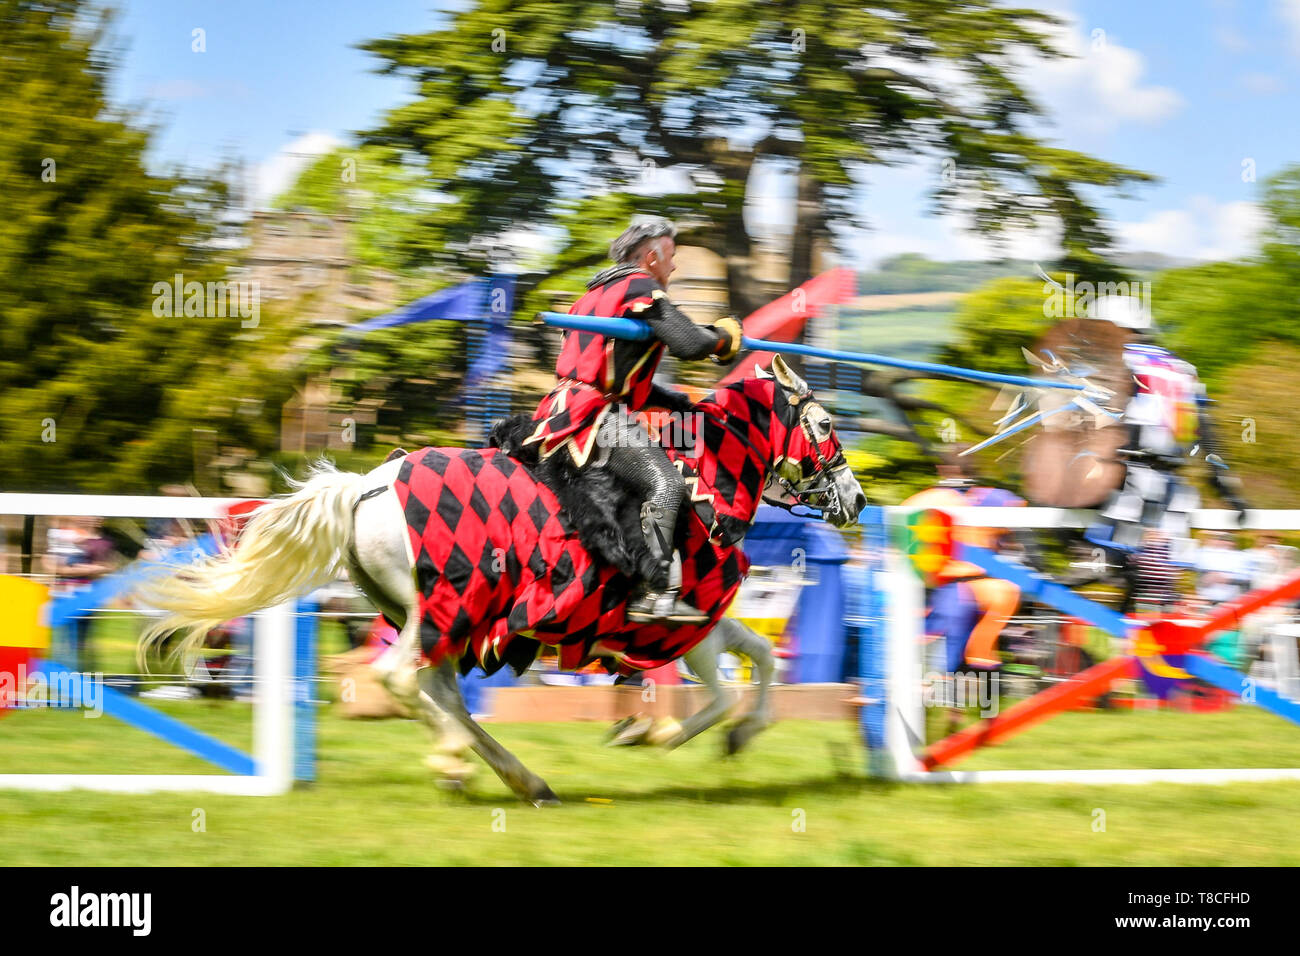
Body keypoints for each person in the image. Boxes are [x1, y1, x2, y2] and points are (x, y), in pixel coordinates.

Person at [525, 216, 742, 624]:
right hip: (595, 415)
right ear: (652, 255)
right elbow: (690, 343)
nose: (674, 267)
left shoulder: (589, 298)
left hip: (561, 407)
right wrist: (724, 338)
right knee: (666, 483)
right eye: (672, 257)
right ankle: (656, 592)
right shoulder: (640, 288)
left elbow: (618, 377)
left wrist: (678, 403)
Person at [1084, 295, 1247, 605]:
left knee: (1106, 556)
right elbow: (1205, 432)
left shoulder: (1117, 361)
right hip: (1173, 488)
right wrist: (1226, 485)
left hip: (1130, 480)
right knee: (1153, 580)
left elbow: (1104, 421)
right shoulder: (1183, 368)